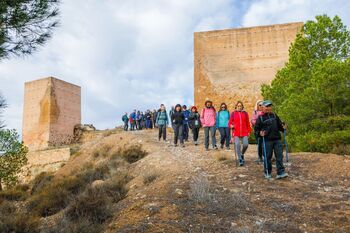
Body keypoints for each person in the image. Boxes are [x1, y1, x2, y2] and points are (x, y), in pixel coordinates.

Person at [254, 100, 288, 179]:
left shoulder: (274, 116)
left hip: (277, 139)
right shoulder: (260, 118)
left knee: (279, 156)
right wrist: (259, 133)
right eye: (266, 106)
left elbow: (280, 126)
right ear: (262, 107)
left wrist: (283, 128)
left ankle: (280, 172)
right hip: (266, 140)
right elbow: (256, 129)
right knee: (267, 157)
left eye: (269, 106)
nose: (268, 108)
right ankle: (267, 172)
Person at [229, 101, 251, 166]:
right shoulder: (233, 113)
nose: (239, 107)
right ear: (236, 106)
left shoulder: (245, 114)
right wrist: (231, 126)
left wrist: (249, 131)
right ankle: (240, 159)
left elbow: (248, 123)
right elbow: (229, 123)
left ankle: (242, 154)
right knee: (237, 145)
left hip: (244, 132)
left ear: (242, 107)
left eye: (240, 106)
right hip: (236, 132)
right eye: (238, 106)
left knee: (245, 145)